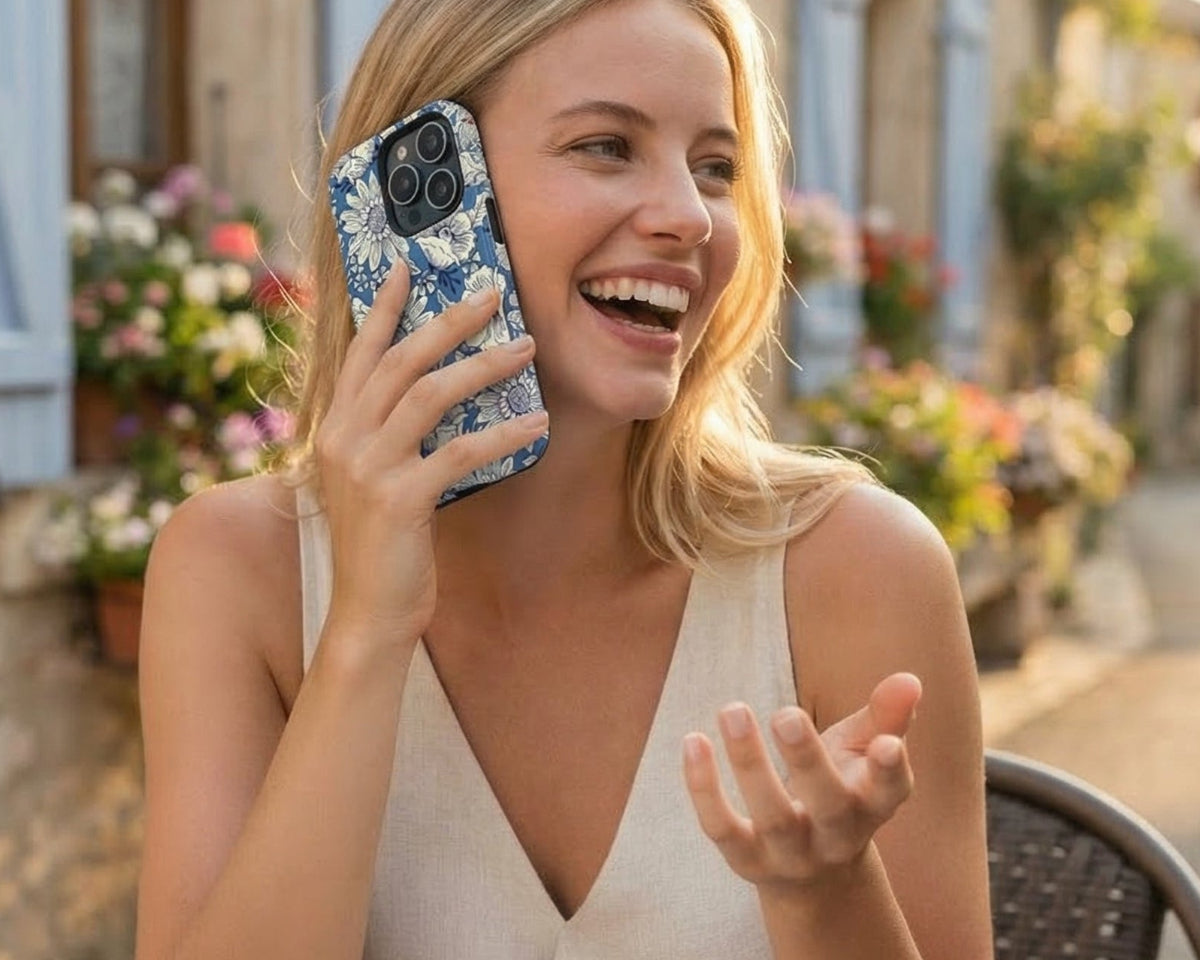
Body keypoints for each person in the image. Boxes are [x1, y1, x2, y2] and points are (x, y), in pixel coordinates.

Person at [133, 0, 994, 957]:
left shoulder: (858, 570)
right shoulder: (235, 569)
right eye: (605, 146)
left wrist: (821, 892)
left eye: (716, 167)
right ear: (409, 196)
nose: (686, 217)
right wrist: (367, 634)